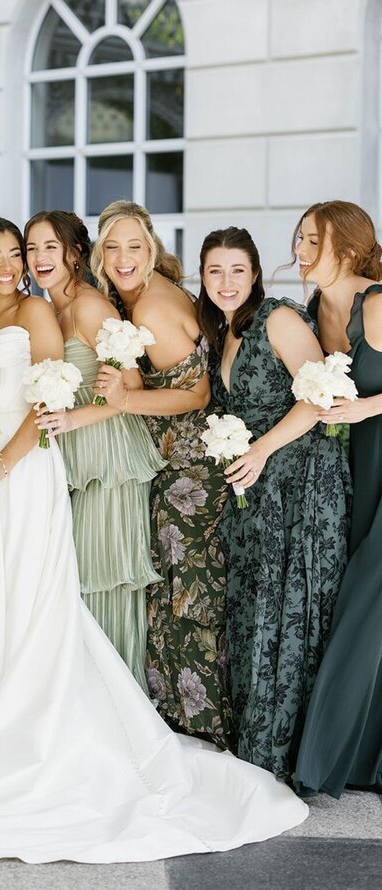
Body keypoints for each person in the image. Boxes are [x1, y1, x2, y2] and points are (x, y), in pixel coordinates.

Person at [0, 216, 307, 865]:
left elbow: (46, 399)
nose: (12, 264)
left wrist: (6, 460)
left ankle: (45, 727)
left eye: (22, 252)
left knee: (39, 598)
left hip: (26, 467)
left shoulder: (40, 311)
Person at [197, 226, 351, 780]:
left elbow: (320, 397)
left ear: (255, 274)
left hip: (301, 481)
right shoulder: (221, 331)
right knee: (254, 607)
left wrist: (260, 450)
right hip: (254, 491)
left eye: (237, 270)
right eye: (215, 271)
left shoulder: (278, 317)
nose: (226, 281)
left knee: (290, 609)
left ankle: (288, 753)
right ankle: (254, 742)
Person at [92, 201, 232, 749]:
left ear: (151, 249)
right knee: (176, 589)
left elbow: (195, 394)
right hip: (174, 463)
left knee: (191, 591)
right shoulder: (127, 299)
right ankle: (180, 712)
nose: (124, 257)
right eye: (113, 247)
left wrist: (126, 398)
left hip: (192, 468)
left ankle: (206, 720)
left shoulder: (149, 306)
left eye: (135, 246)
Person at [24, 210, 163, 690]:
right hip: (69, 457)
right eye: (32, 249)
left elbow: (129, 391)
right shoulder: (45, 309)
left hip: (107, 459)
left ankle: (115, 705)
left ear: (75, 253)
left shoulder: (90, 307)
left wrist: (72, 419)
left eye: (50, 247)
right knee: (70, 580)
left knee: (99, 579)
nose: (39, 258)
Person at [292, 201, 382, 796]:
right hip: (353, 468)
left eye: (311, 241)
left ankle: (330, 758)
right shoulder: (309, 309)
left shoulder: (376, 302)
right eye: (298, 238)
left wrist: (367, 407)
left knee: (365, 601)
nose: (299, 250)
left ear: (346, 248)